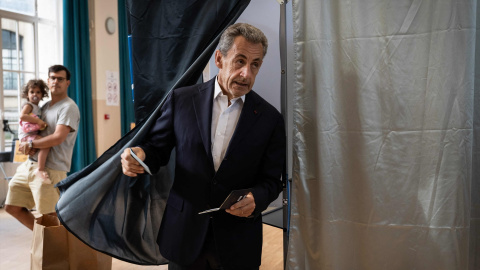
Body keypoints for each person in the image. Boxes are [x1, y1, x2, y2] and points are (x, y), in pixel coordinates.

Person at [121, 23, 286, 270]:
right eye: (239, 61)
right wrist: (140, 155)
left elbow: (273, 181)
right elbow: (156, 149)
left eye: (255, 64)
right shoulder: (181, 100)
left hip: (237, 241)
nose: (246, 74)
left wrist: (256, 198)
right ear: (219, 58)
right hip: (184, 233)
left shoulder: (270, 118)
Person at [5, 65, 80, 230]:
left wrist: (31, 144)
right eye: (52, 78)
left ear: (67, 83)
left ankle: (60, 249)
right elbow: (32, 130)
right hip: (29, 165)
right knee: (12, 206)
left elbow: (58, 138)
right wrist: (30, 147)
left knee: (49, 216)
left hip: (51, 169)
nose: (56, 82)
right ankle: (44, 239)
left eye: (60, 79)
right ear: (48, 81)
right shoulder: (44, 107)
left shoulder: (69, 107)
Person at [18, 79, 51, 184]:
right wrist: (38, 120)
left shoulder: (39, 107)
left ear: (42, 94)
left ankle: (39, 167)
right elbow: (22, 116)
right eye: (32, 92)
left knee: (41, 145)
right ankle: (40, 170)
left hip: (31, 135)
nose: (35, 94)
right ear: (27, 94)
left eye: (38, 92)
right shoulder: (29, 105)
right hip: (26, 135)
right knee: (46, 144)